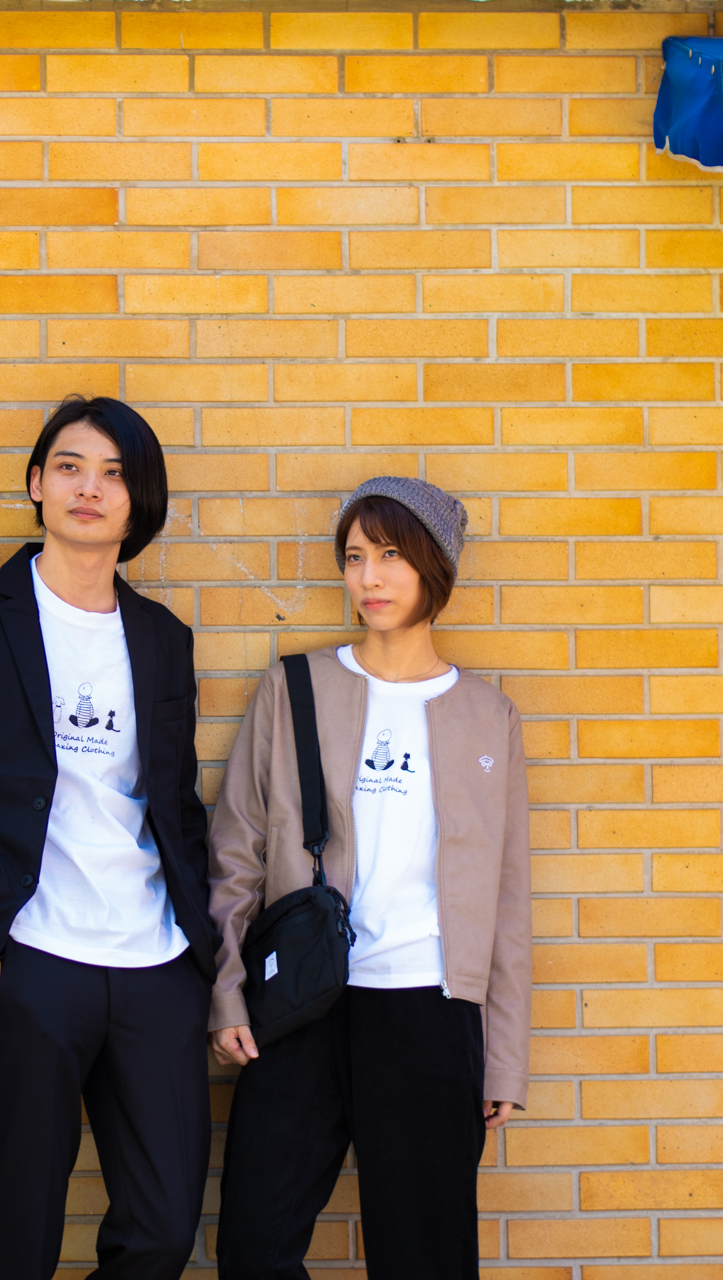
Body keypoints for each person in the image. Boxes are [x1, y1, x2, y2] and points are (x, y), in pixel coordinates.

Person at [0, 396, 217, 1280]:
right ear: (37, 483)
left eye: (114, 474)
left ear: (139, 502)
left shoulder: (162, 639)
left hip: (155, 965)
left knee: (163, 1227)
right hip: (30, 962)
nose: (89, 488)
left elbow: (174, 807)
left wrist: (201, 959)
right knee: (20, 1229)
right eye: (70, 467)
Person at [206, 476, 532, 1280]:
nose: (369, 578)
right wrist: (227, 992)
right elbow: (237, 851)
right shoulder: (295, 688)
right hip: (301, 1006)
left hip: (430, 1011)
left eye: (391, 556)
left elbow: (506, 899)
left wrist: (502, 1057)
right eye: (354, 557)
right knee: (252, 1247)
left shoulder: (488, 716)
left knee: (426, 1259)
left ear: (433, 567)